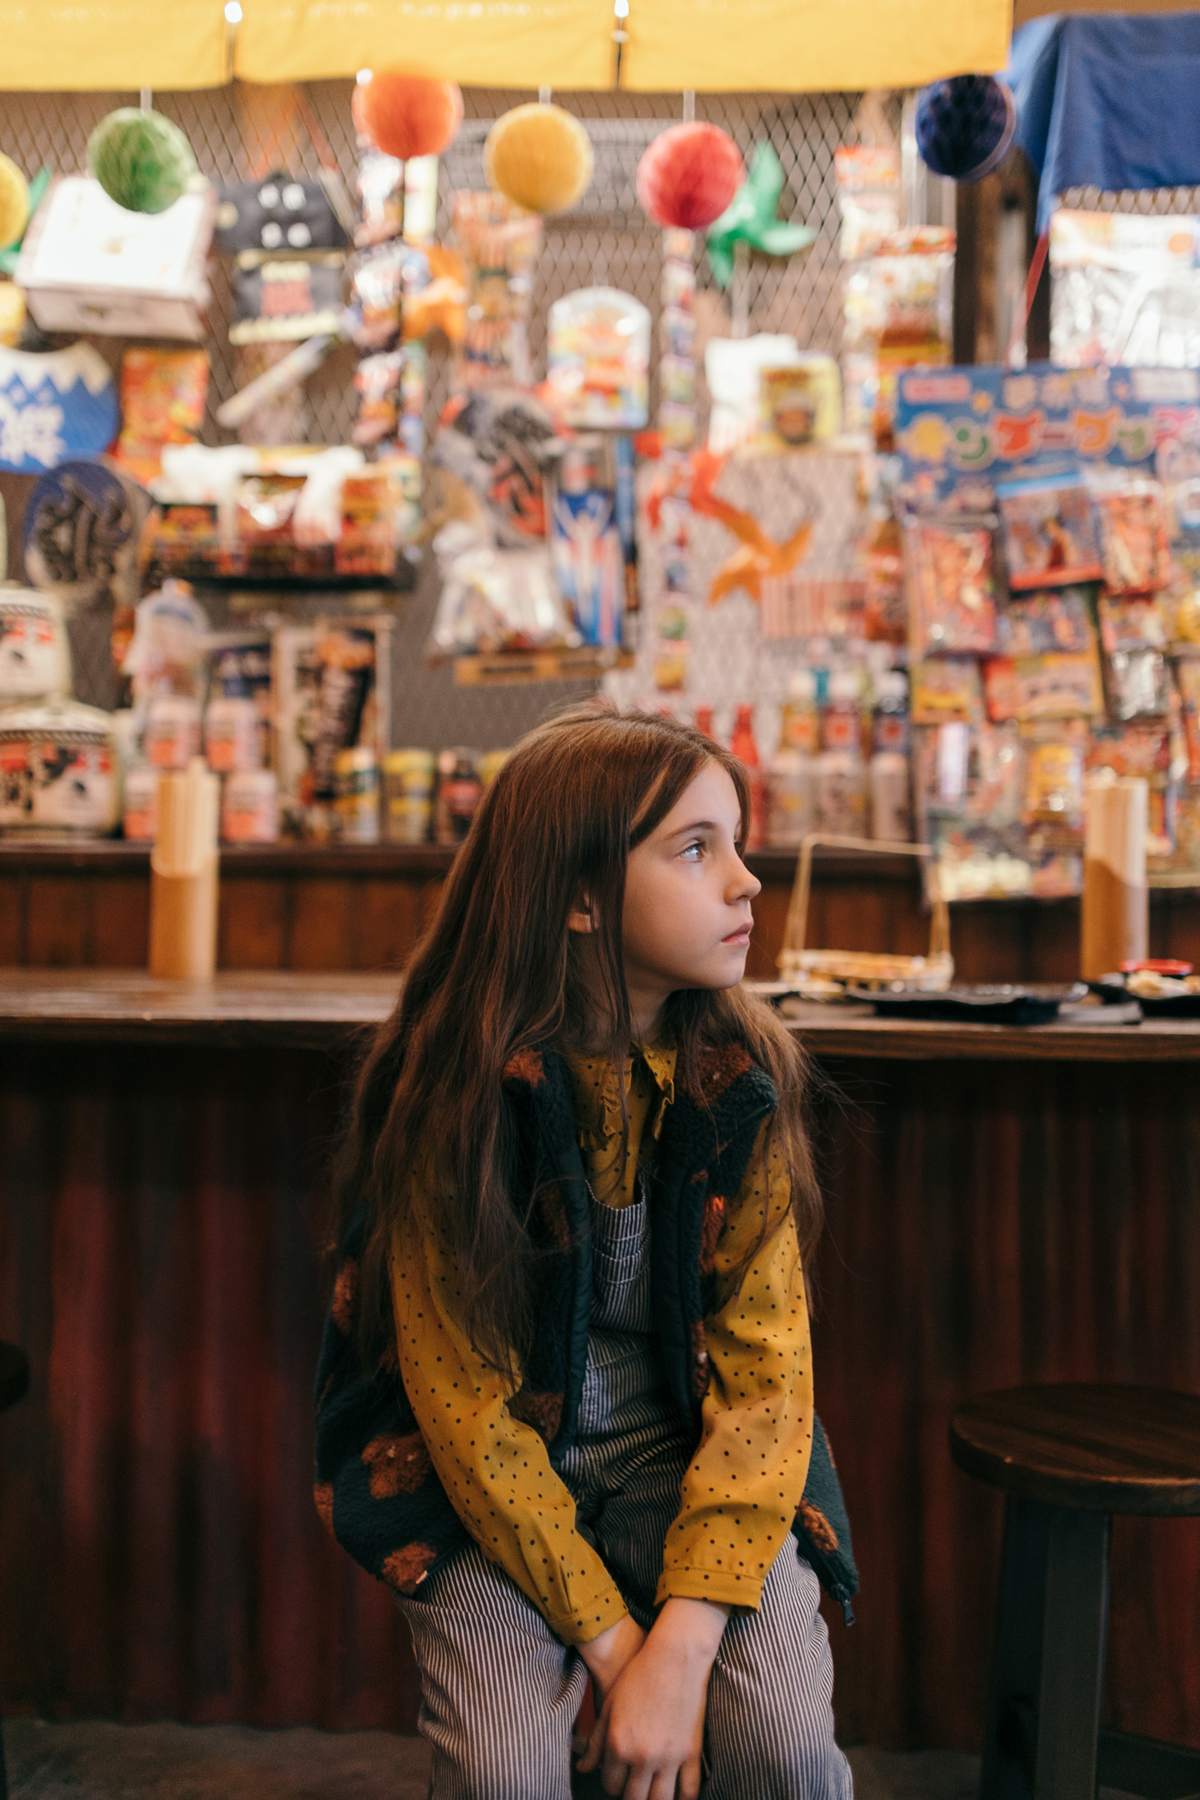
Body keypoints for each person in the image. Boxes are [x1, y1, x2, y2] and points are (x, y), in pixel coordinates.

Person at [315, 706, 855, 1800]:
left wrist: (684, 1645)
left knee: (786, 1755)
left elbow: (766, 1388)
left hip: (696, 1455)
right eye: (697, 848)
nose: (748, 880)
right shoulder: (457, 1098)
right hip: (492, 1476)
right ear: (575, 895)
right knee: (508, 1774)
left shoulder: (740, 1081)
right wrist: (617, 1652)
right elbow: (463, 1413)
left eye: (738, 843)